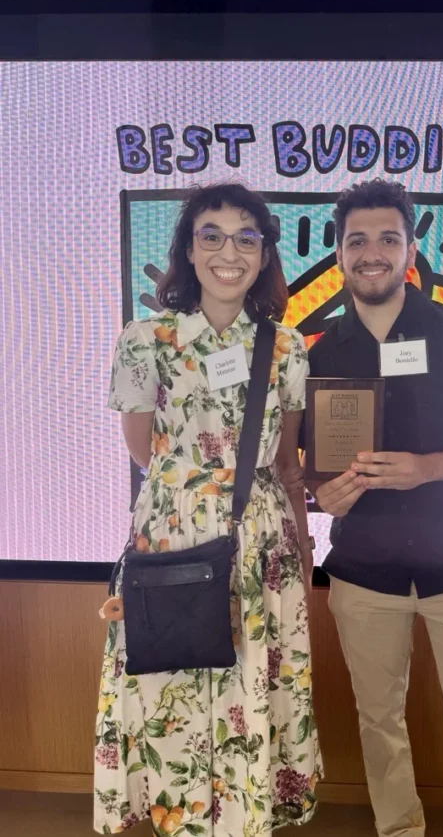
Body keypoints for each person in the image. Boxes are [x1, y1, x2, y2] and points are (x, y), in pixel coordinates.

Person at [305, 179, 443, 837]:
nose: (371, 252)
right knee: (379, 722)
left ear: (410, 250)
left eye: (387, 238)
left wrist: (427, 468)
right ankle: (399, 829)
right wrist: (324, 495)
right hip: (363, 573)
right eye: (357, 241)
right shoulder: (322, 351)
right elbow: (311, 469)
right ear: (340, 254)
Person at [95, 182, 321, 836]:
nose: (230, 252)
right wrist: (200, 495)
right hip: (174, 533)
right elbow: (143, 451)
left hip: (264, 542)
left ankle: (244, 818)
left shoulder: (287, 348)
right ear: (189, 251)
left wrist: (303, 543)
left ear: (264, 254)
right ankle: (185, 818)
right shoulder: (146, 339)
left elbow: (285, 462)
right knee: (174, 682)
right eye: (212, 235)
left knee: (255, 680)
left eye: (247, 238)